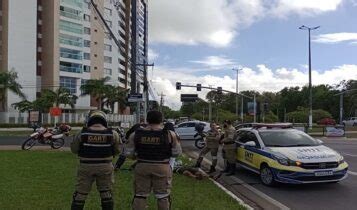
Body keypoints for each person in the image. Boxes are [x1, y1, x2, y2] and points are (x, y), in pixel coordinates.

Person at [126, 110, 182, 210]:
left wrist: (136, 156)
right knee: (163, 196)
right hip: (162, 167)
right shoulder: (170, 134)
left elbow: (128, 153)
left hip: (142, 166)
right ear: (161, 120)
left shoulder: (136, 134)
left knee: (140, 195)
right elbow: (176, 153)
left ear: (147, 119)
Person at [70, 111, 121, 210]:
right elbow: (118, 150)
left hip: (85, 166)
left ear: (90, 120)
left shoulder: (82, 132)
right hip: (105, 167)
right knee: (106, 193)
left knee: (80, 194)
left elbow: (74, 150)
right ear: (104, 120)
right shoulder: (113, 133)